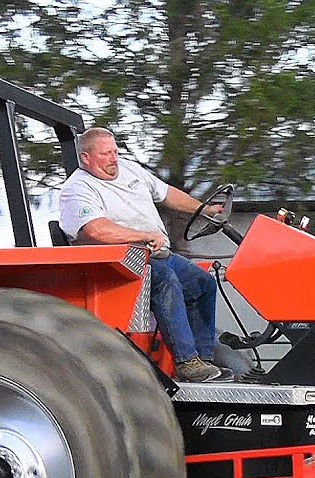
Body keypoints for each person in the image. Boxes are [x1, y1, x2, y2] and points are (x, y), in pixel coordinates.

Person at [58, 127, 230, 383]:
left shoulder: (131, 170)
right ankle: (186, 362)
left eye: (115, 151)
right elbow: (95, 229)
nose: (114, 159)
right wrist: (141, 236)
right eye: (105, 154)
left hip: (156, 253)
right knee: (165, 281)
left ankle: (203, 360)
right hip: (119, 262)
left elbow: (167, 194)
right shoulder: (77, 189)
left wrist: (204, 209)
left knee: (202, 283)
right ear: (86, 158)